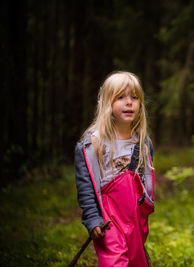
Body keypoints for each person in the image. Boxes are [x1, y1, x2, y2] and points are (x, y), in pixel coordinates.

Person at [74, 71, 155, 267]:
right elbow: (85, 187)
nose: (129, 102)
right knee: (115, 261)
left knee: (136, 261)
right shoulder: (92, 145)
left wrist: (144, 211)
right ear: (107, 103)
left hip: (134, 217)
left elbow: (146, 181)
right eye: (121, 97)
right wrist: (93, 219)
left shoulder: (143, 143)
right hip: (107, 218)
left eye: (134, 98)